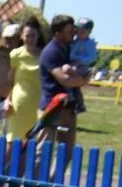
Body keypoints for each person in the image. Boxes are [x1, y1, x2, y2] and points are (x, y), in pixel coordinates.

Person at [37, 14, 89, 150]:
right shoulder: (51, 51)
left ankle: (54, 173)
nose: (74, 34)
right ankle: (36, 172)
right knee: (42, 152)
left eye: (74, 30)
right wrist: (83, 81)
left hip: (68, 107)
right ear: (58, 33)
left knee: (66, 152)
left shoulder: (70, 49)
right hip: (51, 107)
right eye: (70, 32)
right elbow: (65, 80)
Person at [6, 19, 42, 141]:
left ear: (38, 36)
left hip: (38, 104)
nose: (30, 39)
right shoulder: (15, 55)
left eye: (33, 35)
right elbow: (9, 80)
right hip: (18, 104)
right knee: (12, 141)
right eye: (27, 36)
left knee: (32, 142)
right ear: (21, 36)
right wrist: (7, 100)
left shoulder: (44, 56)